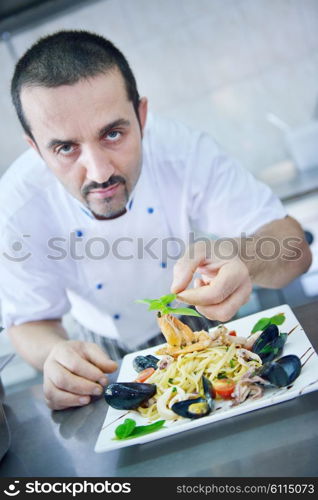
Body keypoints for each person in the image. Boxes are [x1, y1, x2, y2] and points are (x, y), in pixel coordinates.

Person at [0, 31, 311, 410]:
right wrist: (57, 355)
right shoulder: (16, 205)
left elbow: (294, 246)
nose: (99, 172)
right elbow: (29, 322)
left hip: (196, 326)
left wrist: (245, 259)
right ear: (35, 149)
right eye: (65, 147)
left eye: (113, 134)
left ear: (142, 116)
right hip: (99, 353)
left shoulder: (183, 151)